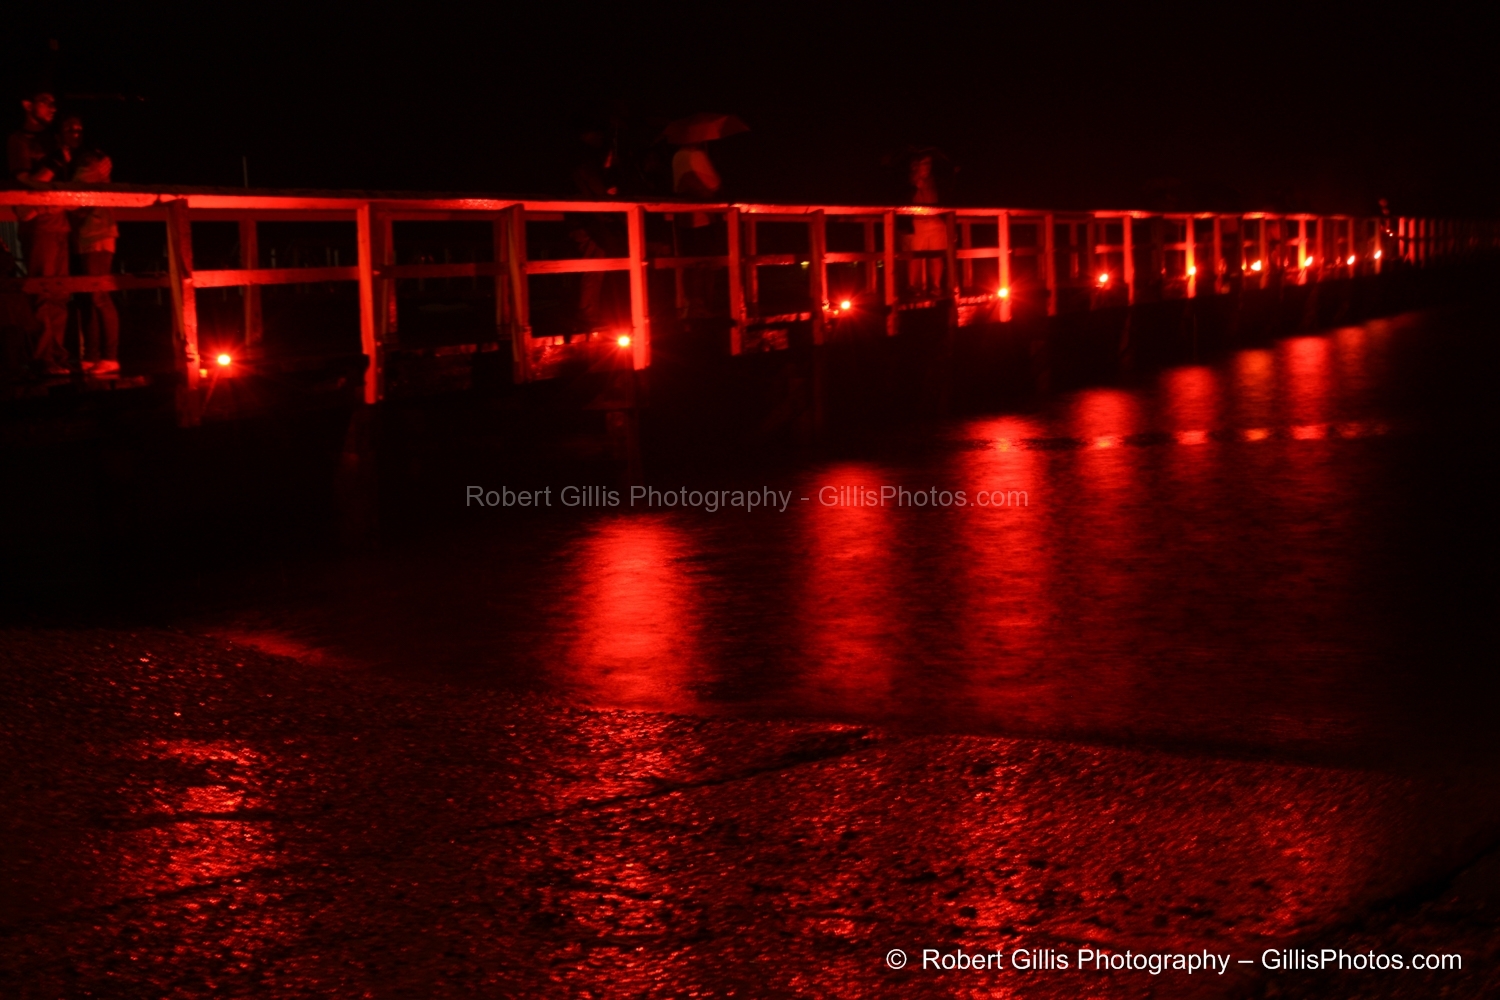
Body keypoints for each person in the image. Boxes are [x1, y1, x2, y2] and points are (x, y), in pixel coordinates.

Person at [7, 89, 71, 375]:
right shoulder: (19, 140)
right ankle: (43, 357)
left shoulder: (52, 140)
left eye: (53, 102)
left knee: (60, 293)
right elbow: (26, 183)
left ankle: (56, 355)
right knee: (44, 291)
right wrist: (54, 164)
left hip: (60, 223)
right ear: (27, 104)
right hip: (40, 225)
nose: (52, 107)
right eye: (46, 102)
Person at [69, 149, 120, 374]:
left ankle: (109, 357)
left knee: (99, 297)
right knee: (92, 298)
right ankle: (93, 355)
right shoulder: (96, 168)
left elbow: (73, 198)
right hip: (90, 235)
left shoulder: (91, 168)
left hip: (97, 235)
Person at [906, 150, 948, 297]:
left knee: (937, 255)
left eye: (929, 163)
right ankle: (913, 287)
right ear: (916, 164)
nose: (927, 166)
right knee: (916, 255)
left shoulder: (937, 178)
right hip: (917, 220)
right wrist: (916, 183)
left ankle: (936, 286)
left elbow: (944, 195)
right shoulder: (909, 178)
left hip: (936, 219)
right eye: (924, 163)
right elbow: (904, 195)